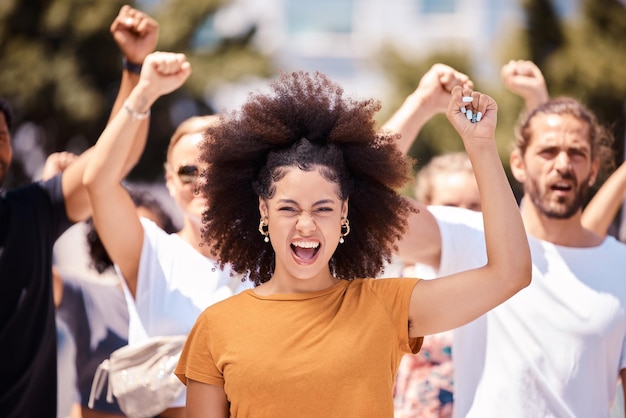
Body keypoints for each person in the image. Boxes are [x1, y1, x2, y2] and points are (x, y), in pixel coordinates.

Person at [172, 70, 531, 417]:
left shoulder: (386, 308)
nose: (306, 225)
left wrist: (480, 146)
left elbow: (510, 274)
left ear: (345, 212)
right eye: (288, 208)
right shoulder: (216, 326)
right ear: (263, 210)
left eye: (323, 208)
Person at [391, 59, 626, 417]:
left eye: (576, 153)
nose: (562, 165)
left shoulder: (620, 268)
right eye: (548, 152)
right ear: (518, 164)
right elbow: (359, 201)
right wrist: (421, 105)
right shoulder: (470, 236)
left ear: (594, 169)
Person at [0, 17, 184, 418]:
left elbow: (107, 168)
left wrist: (136, 75)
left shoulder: (29, 214)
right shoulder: (87, 297)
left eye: (1, 135)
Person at [83, 104, 247, 415]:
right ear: (170, 180)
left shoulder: (271, 259)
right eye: (189, 171)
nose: (204, 182)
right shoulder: (151, 252)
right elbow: (98, 181)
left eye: (220, 168)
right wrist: (143, 92)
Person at [394, 151, 480, 418]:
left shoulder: (500, 284)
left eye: (475, 206)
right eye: (451, 207)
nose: (464, 218)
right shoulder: (398, 279)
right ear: (426, 206)